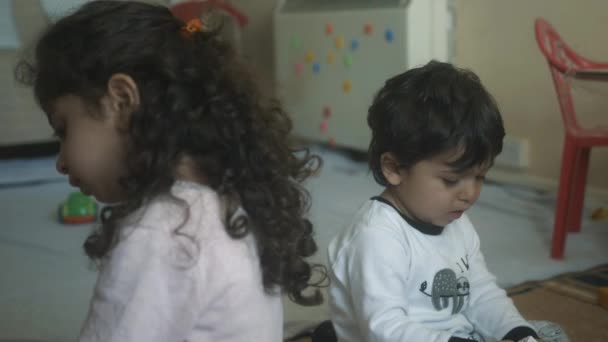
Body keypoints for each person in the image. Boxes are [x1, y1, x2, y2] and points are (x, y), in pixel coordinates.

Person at [15, 1, 325, 341]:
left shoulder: (162, 231)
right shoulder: (229, 196)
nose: (60, 161)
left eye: (64, 129)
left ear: (121, 101)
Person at [327, 61, 567, 342]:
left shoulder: (456, 222)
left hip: (456, 334)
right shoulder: (376, 237)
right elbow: (385, 329)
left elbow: (480, 292)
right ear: (394, 168)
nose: (469, 194)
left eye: (480, 177)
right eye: (451, 180)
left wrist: (516, 333)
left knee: (548, 333)